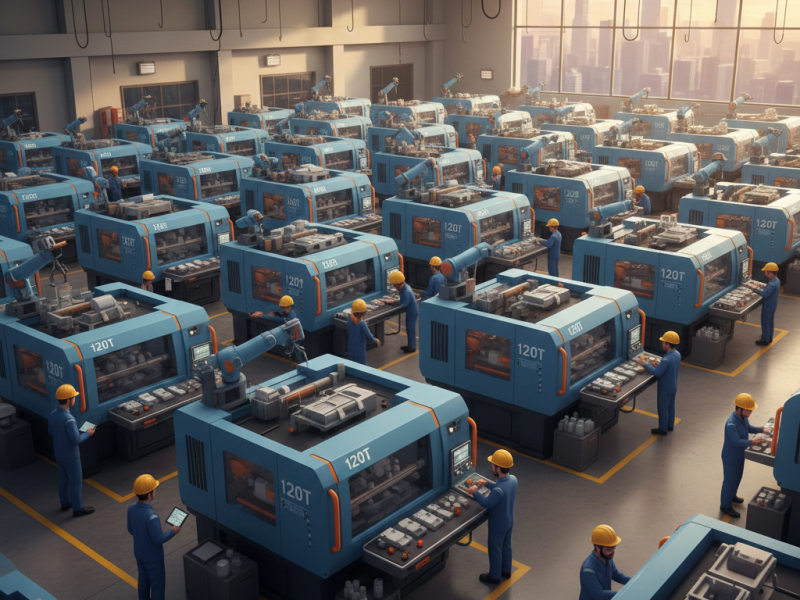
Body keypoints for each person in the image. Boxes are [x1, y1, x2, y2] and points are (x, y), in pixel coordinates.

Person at [465, 450, 517, 585]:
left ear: (498, 468)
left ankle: (494, 576)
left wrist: (474, 493)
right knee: (506, 546)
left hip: (498, 525)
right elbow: (500, 486)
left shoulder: (499, 491)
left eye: (493, 465)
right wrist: (486, 483)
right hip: (509, 521)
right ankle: (506, 571)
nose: (492, 467)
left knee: (495, 549)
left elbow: (487, 503)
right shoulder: (513, 480)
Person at [127, 474, 181, 600]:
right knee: (157, 585)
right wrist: (173, 531)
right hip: (153, 557)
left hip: (139, 553)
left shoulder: (131, 509)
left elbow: (130, 530)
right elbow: (159, 539)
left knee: (143, 581)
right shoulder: (152, 516)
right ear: (150, 495)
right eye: (154, 489)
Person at [48, 384, 95, 517]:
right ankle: (78, 508)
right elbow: (76, 440)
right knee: (75, 481)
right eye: (74, 397)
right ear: (69, 400)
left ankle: (65, 504)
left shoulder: (53, 415)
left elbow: (50, 432)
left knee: (63, 479)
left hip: (59, 453)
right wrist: (88, 433)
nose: (75, 399)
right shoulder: (69, 419)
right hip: (71, 455)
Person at [720, 394, 770, 518]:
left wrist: (762, 430)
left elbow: (748, 428)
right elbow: (736, 441)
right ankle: (725, 505)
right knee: (729, 482)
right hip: (731, 458)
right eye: (748, 410)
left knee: (737, 479)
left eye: (751, 410)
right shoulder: (731, 424)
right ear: (739, 409)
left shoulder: (743, 418)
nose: (750, 412)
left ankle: (732, 496)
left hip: (740, 455)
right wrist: (751, 442)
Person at [638, 331, 680, 435]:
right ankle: (670, 426)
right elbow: (667, 367)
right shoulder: (677, 354)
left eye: (663, 342)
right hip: (673, 386)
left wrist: (644, 364)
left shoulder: (666, 359)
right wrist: (659, 364)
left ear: (667, 344)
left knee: (662, 409)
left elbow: (656, 373)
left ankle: (662, 429)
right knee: (671, 407)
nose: (662, 344)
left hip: (664, 388)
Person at [579, 525, 631, 599]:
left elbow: (617, 575)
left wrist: (635, 581)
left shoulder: (608, 558)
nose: (613, 551)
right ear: (597, 547)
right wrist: (623, 594)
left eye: (614, 547)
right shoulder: (588, 570)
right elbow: (599, 595)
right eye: (609, 549)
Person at [385, 271, 418, 354]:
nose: (394, 287)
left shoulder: (406, 292)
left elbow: (403, 305)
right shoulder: (405, 287)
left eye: (394, 285)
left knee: (410, 329)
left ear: (399, 284)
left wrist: (393, 305)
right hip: (411, 311)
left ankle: (412, 347)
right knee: (409, 329)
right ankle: (411, 346)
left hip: (412, 313)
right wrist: (393, 301)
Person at [753, 263, 780, 346]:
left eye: (768, 273)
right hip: (773, 305)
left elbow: (765, 294)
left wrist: (755, 289)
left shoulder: (772, 284)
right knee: (770, 322)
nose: (766, 275)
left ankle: (765, 340)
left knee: (765, 322)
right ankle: (769, 338)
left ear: (773, 273)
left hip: (768, 306)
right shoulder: (777, 280)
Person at [347, 298, 380, 365]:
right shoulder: (362, 324)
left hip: (351, 350)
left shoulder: (349, 320)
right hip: (359, 352)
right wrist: (376, 340)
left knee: (352, 367)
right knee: (362, 369)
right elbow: (370, 337)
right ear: (363, 313)